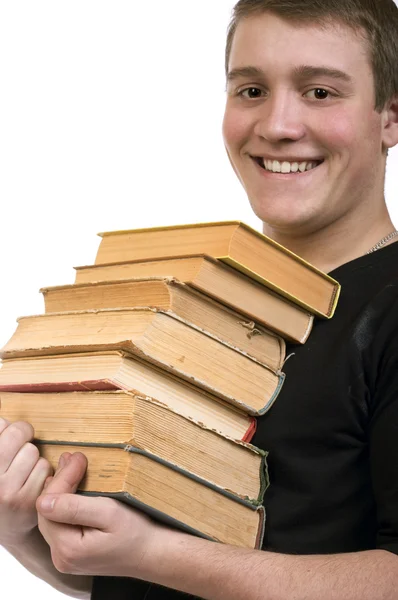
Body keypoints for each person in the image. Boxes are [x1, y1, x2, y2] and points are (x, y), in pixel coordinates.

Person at [1, 0, 398, 598]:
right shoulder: (191, 301)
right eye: (251, 90)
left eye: (319, 92)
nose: (278, 125)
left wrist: (156, 554)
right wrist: (22, 530)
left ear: (392, 115)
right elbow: (120, 574)